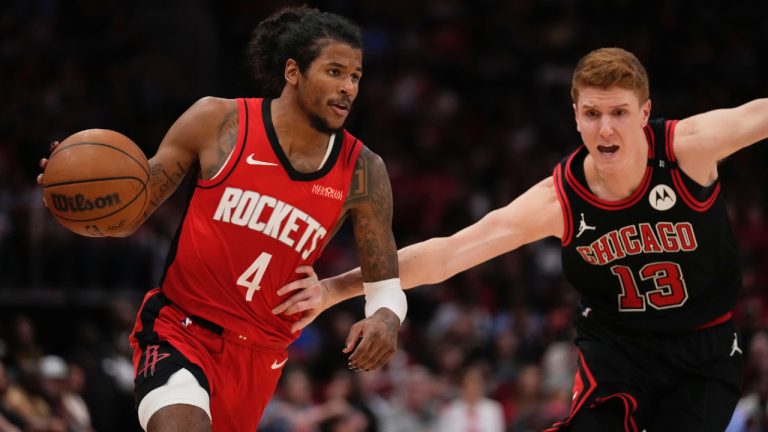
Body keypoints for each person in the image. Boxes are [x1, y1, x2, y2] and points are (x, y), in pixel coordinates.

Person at [273, 47, 768, 431]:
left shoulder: (688, 149)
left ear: (644, 113)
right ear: (575, 115)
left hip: (703, 346)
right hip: (620, 350)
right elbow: (447, 254)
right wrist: (334, 289)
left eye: (619, 112)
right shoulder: (559, 199)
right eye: (592, 113)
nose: (605, 129)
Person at [37, 6, 407, 432]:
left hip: (260, 357)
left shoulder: (363, 170)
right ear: (293, 72)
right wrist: (81, 194)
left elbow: (385, 285)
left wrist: (385, 318)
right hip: (179, 330)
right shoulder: (218, 122)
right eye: (335, 72)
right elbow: (130, 215)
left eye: (355, 76)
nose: (348, 87)